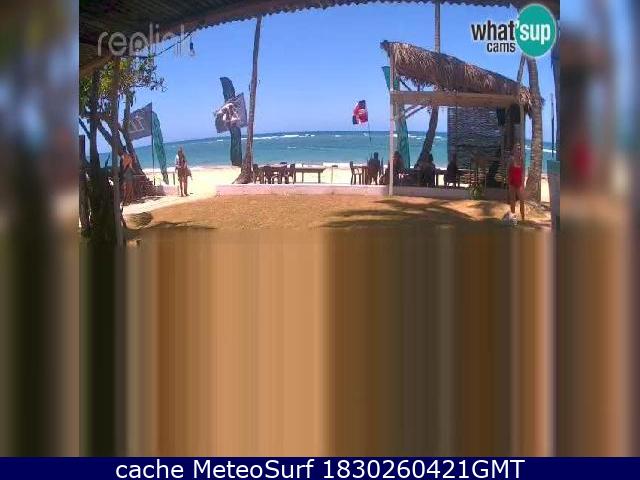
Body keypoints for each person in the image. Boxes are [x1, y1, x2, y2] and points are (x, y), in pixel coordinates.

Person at [508, 143, 526, 221]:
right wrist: (508, 182)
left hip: (519, 183)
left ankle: (523, 218)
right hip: (512, 182)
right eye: (517, 148)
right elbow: (508, 171)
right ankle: (513, 219)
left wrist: (523, 183)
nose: (518, 150)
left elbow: (523, 172)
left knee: (522, 200)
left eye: (519, 149)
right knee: (512, 201)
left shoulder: (522, 160)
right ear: (514, 150)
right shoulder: (511, 159)